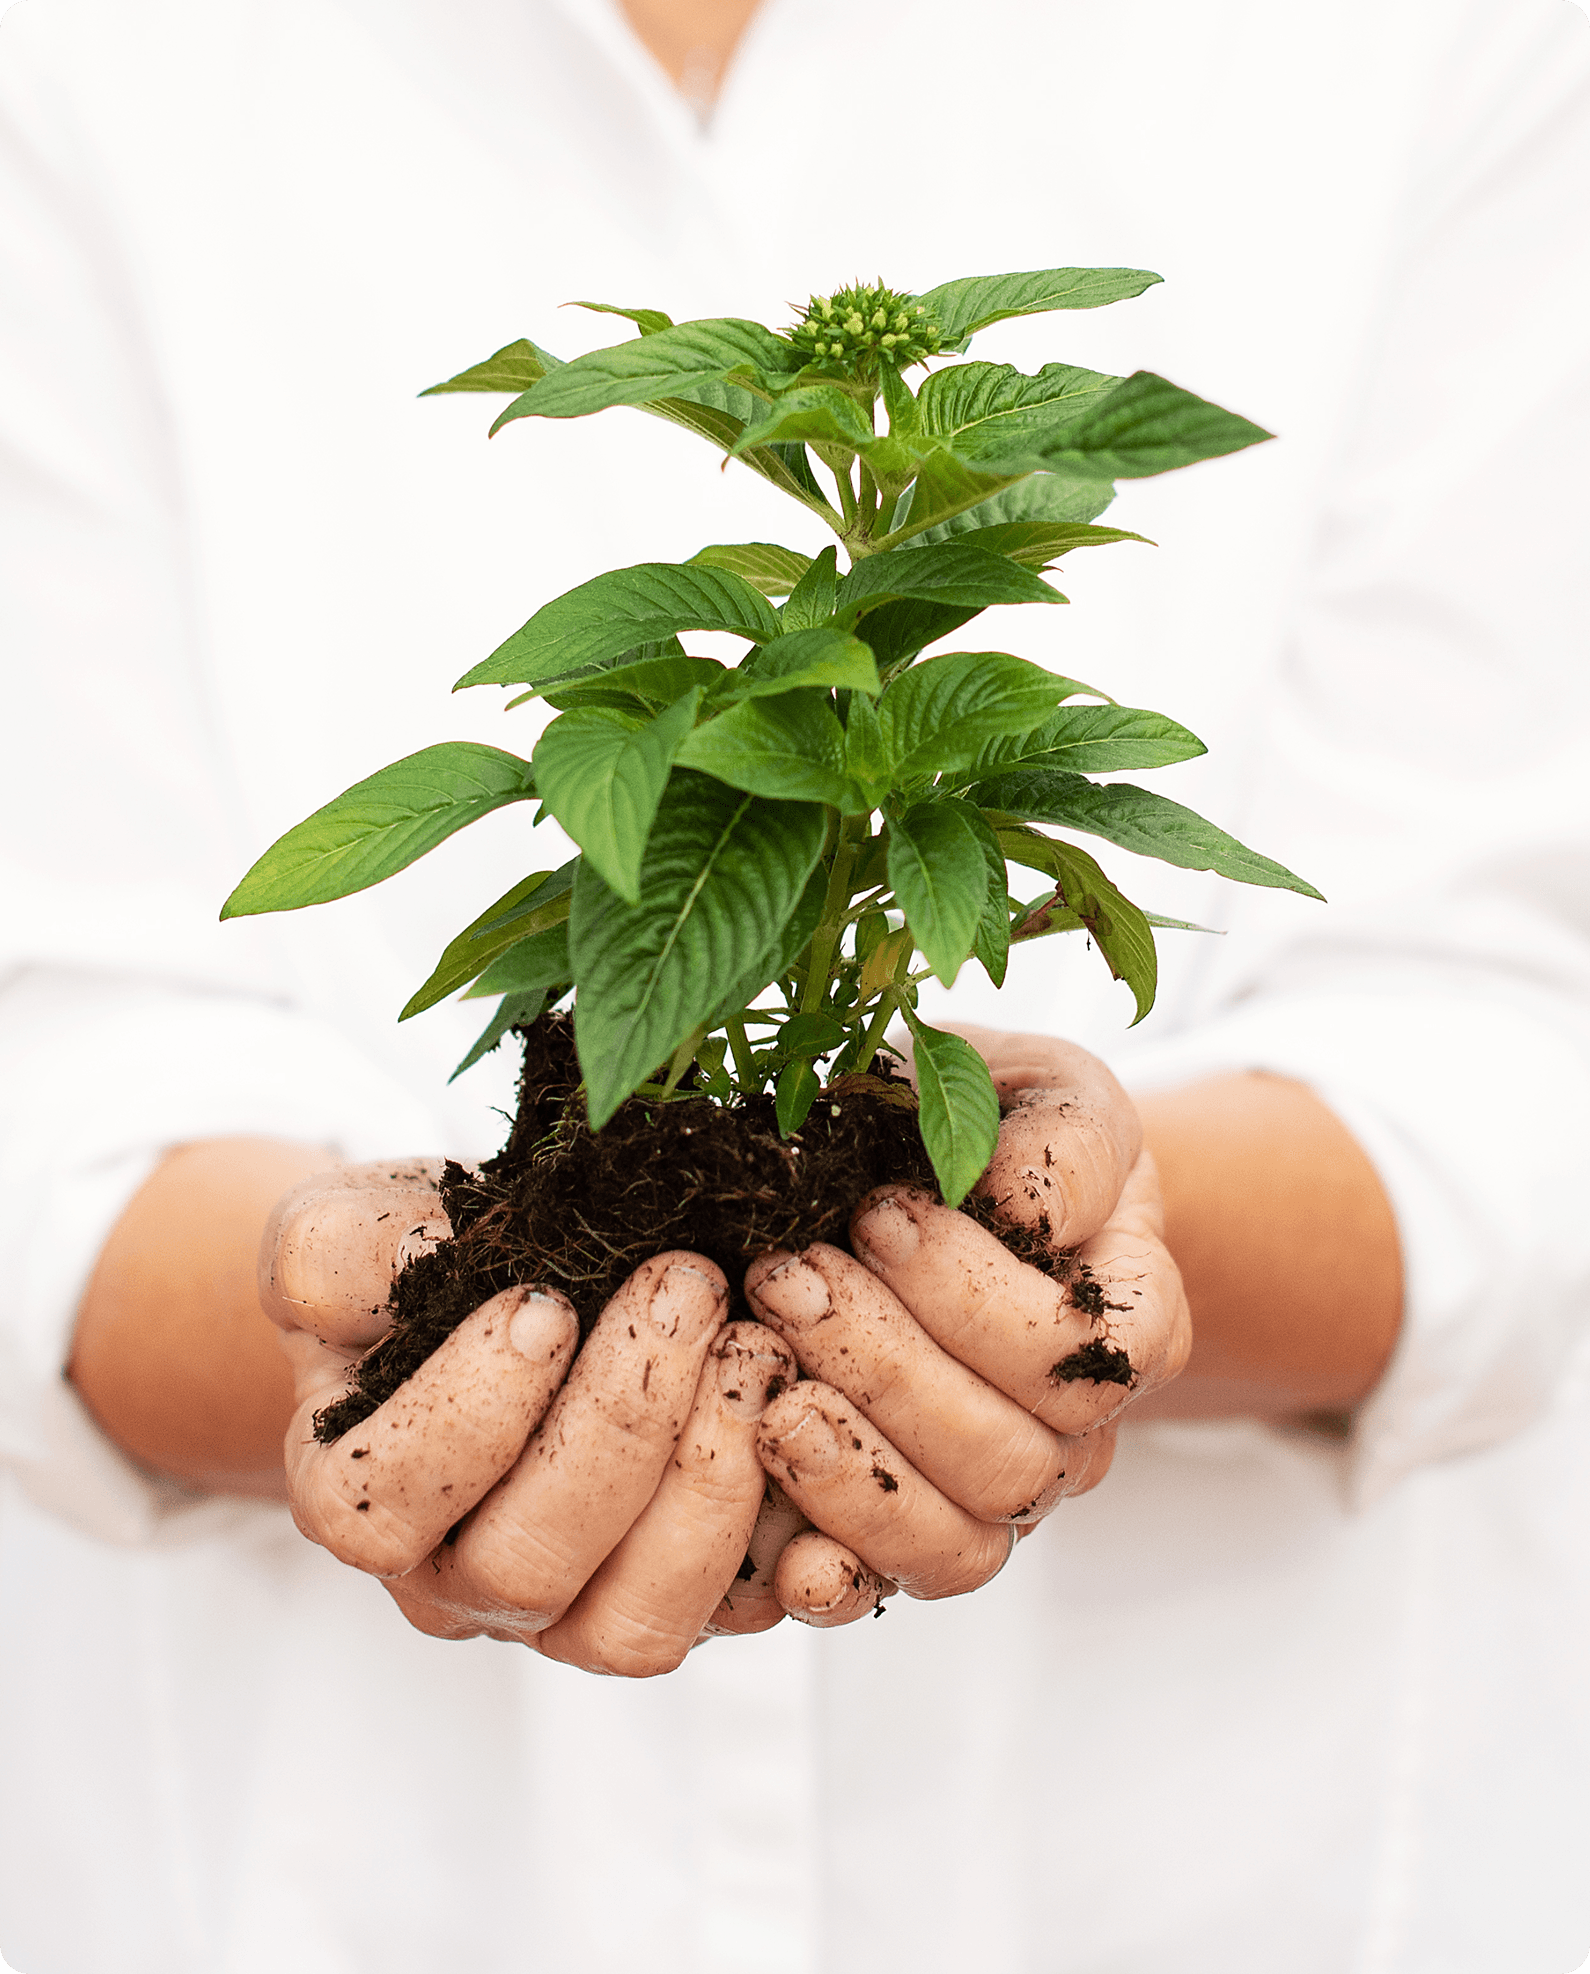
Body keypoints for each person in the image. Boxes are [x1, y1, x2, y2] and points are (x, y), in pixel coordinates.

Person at [2, 0, 1588, 1968]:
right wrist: (396, 1330)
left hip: (1205, 1873)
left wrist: (1054, 1260)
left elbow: (1499, 1055)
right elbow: (45, 1091)